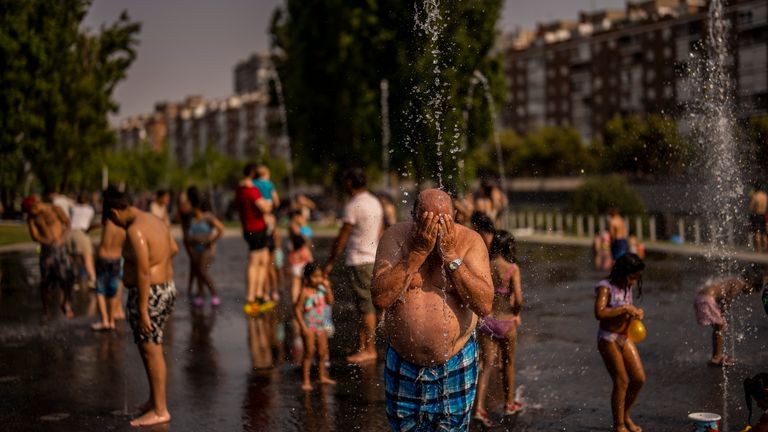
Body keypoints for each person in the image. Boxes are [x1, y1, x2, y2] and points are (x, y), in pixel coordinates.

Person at [372, 188, 493, 431]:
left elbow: (484, 304)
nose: (434, 229)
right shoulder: (396, 237)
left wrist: (450, 256)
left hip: (455, 363)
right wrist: (415, 255)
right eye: (426, 220)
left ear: (454, 216)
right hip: (403, 364)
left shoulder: (470, 241)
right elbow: (380, 297)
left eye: (441, 221)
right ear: (414, 217)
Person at [105, 189, 178, 427]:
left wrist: (144, 308)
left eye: (111, 219)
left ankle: (160, 409)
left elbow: (144, 271)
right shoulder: (154, 219)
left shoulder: (135, 229)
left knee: (151, 350)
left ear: (115, 213)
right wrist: (161, 265)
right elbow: (174, 248)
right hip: (166, 288)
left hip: (150, 294)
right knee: (152, 347)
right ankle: (154, 400)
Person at [323, 167, 384, 364]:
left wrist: (330, 261)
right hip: (372, 258)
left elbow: (342, 237)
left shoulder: (354, 205)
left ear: (350, 182)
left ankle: (370, 349)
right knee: (362, 305)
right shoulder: (374, 201)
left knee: (366, 307)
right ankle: (362, 345)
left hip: (360, 260)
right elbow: (381, 231)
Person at [473, 230, 524, 427]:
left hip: (487, 321)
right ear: (508, 246)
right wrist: (516, 312)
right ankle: (509, 403)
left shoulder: (487, 265)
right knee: (508, 362)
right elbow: (518, 298)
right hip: (506, 321)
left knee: (486, 367)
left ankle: (478, 408)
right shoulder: (512, 269)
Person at [594, 253, 646, 432]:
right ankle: (619, 425)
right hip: (608, 338)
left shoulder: (627, 287)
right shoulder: (606, 287)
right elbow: (599, 313)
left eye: (636, 278)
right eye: (632, 277)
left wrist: (637, 312)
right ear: (623, 272)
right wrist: (624, 308)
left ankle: (624, 415)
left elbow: (628, 310)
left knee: (638, 379)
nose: (633, 281)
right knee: (622, 381)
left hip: (625, 337)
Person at [694, 267, 764, 367]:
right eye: (751, 291)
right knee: (720, 325)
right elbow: (728, 297)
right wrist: (724, 310)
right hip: (706, 299)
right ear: (751, 283)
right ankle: (716, 358)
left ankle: (717, 355)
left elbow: (721, 293)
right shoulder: (740, 283)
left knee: (719, 327)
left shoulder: (735, 280)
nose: (749, 294)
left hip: (703, 297)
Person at [24, 195, 75, 320]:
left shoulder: (55, 209)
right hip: (47, 251)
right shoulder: (32, 218)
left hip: (61, 249)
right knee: (46, 282)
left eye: (31, 210)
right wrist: (46, 240)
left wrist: (61, 237)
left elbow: (67, 223)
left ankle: (66, 304)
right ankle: (46, 311)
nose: (31, 213)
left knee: (66, 279)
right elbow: (34, 235)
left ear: (36, 205)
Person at [236, 163, 274, 313]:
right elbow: (265, 207)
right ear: (252, 175)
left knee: (263, 260)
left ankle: (259, 295)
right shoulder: (251, 191)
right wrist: (268, 204)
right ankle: (251, 298)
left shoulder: (239, 190)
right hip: (256, 229)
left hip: (249, 228)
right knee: (255, 261)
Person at [294, 262, 336, 391]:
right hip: (309, 326)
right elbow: (297, 310)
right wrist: (302, 327)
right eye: (315, 277)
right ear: (307, 278)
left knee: (322, 353)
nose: (318, 279)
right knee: (309, 353)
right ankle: (306, 381)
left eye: (320, 276)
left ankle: (322, 376)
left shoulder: (322, 290)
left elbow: (330, 301)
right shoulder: (305, 292)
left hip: (321, 326)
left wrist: (328, 288)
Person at [91, 192, 127, 331]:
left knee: (100, 290)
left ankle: (104, 320)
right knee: (112, 290)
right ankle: (112, 321)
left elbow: (97, 225)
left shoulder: (107, 221)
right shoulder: (123, 225)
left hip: (103, 259)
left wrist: (88, 229)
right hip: (117, 260)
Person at [187, 194, 224, 307]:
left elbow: (221, 228)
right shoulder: (193, 219)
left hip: (207, 249)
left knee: (203, 271)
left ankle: (214, 294)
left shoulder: (208, 217)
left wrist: (212, 240)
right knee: (198, 272)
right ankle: (200, 295)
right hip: (195, 248)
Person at [68, 193, 96, 287]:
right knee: (88, 259)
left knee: (74, 259)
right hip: (82, 233)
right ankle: (92, 280)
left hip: (70, 234)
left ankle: (74, 281)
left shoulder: (73, 208)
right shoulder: (90, 210)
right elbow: (89, 224)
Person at [179, 186, 199, 298]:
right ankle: (193, 287)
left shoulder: (186, 206)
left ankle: (192, 287)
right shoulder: (195, 208)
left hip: (188, 237)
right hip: (195, 237)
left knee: (194, 264)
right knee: (195, 264)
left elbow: (179, 218)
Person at [749, 187, 768, 252]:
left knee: (757, 233)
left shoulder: (756, 196)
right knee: (764, 233)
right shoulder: (765, 196)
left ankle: (758, 249)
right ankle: (765, 249)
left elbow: (751, 207)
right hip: (764, 215)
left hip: (757, 215)